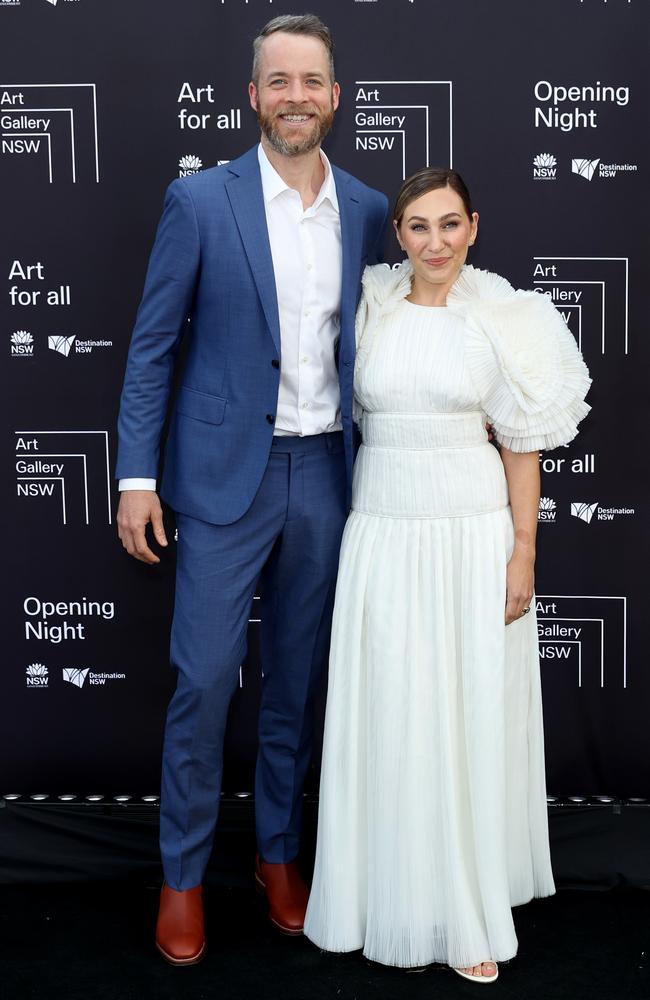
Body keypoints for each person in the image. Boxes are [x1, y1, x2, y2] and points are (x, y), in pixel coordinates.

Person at [116, 14, 388, 966]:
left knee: (297, 682)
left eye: (311, 81)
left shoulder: (366, 209)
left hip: (326, 474)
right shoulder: (199, 201)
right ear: (254, 96)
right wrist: (137, 476)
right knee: (200, 684)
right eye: (279, 81)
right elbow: (153, 347)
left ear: (334, 97)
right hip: (221, 481)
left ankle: (278, 855)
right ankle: (181, 877)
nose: (296, 96)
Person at [304, 168, 591, 982]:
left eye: (450, 225)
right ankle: (374, 898)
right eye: (418, 227)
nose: (435, 243)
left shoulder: (503, 315)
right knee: (390, 710)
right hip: (383, 532)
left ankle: (467, 908)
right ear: (397, 235)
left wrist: (524, 550)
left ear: (474, 227)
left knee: (464, 713)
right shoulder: (371, 305)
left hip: (471, 534)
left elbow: (521, 443)